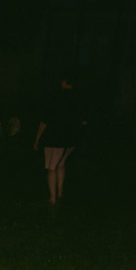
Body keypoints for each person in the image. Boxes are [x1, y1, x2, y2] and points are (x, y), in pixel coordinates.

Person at [32, 77, 87, 206]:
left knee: (51, 168)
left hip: (55, 139)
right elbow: (84, 121)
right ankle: (60, 192)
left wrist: (37, 139)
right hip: (71, 140)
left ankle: (52, 198)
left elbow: (45, 120)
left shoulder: (57, 97)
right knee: (61, 164)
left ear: (64, 82)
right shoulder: (78, 98)